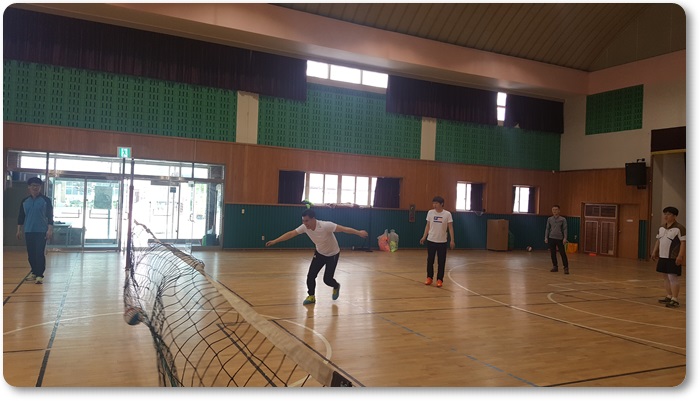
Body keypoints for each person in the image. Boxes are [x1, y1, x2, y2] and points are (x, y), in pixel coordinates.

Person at [265, 209, 368, 305]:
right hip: (319, 253)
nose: (305, 223)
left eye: (307, 221)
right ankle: (311, 296)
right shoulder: (304, 227)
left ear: (313, 219)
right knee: (310, 276)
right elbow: (291, 233)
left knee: (327, 280)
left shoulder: (325, 225)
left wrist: (358, 232)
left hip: (332, 254)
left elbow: (343, 229)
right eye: (303, 221)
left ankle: (336, 286)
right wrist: (275, 241)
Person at [16, 177, 54, 284]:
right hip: (29, 230)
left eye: (37, 186)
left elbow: (50, 216)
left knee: (39, 253)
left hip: (41, 231)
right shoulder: (25, 201)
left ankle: (39, 275)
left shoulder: (46, 200)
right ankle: (34, 271)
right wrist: (19, 230)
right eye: (33, 185)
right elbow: (21, 216)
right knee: (31, 254)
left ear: (40, 187)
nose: (35, 187)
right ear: (29, 187)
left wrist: (50, 230)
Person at [651, 206, 686, 308]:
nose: (666, 216)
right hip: (663, 256)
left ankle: (675, 299)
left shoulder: (679, 228)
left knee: (672, 278)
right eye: (665, 214)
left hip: (673, 257)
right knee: (665, 277)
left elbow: (683, 243)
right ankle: (669, 296)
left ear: (674, 216)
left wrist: (680, 255)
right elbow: (658, 240)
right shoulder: (661, 228)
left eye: (669, 214)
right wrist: (654, 251)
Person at [420, 196, 455, 287]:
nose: (434, 205)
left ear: (441, 204)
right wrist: (424, 237)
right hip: (431, 240)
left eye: (436, 203)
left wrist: (452, 240)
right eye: (433, 203)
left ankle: (439, 279)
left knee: (441, 262)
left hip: (442, 242)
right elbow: (427, 226)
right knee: (430, 260)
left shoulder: (447, 214)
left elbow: (450, 227)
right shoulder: (430, 212)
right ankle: (429, 277)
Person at [545, 204, 569, 274]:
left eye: (556, 210)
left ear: (559, 211)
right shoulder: (549, 219)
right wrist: (546, 237)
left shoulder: (563, 219)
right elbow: (547, 228)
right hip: (551, 237)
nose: (554, 211)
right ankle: (555, 266)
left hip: (560, 238)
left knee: (562, 253)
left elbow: (565, 229)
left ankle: (566, 267)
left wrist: (565, 238)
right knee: (553, 253)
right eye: (553, 210)